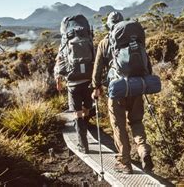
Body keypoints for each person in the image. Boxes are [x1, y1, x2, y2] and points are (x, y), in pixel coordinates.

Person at [91, 12, 153, 174]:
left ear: (109, 25)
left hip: (117, 90)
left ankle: (124, 162)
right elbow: (148, 64)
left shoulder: (105, 43)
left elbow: (97, 69)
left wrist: (96, 87)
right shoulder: (134, 39)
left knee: (119, 126)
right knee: (136, 121)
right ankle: (143, 149)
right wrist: (144, 81)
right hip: (137, 87)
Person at [54, 15, 94, 154]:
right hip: (88, 80)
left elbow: (59, 63)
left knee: (77, 113)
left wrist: (58, 80)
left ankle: (83, 144)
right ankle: (85, 128)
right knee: (87, 108)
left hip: (73, 83)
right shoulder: (88, 38)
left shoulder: (65, 41)